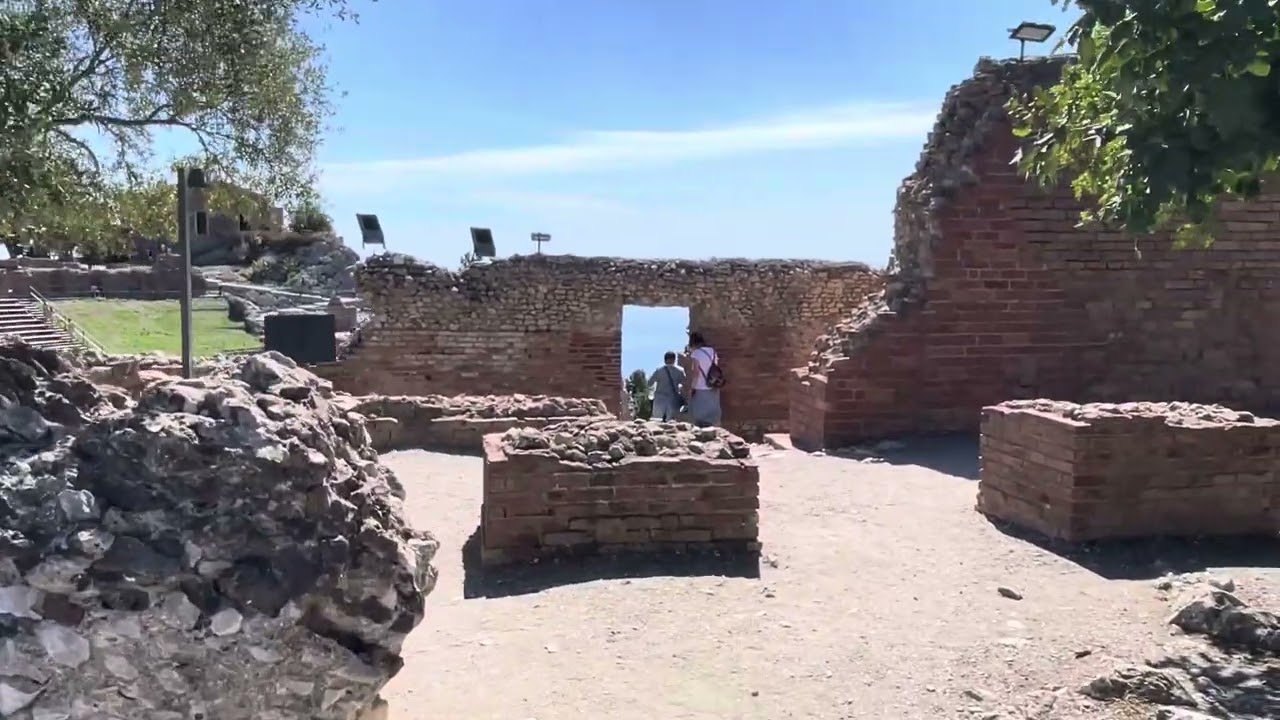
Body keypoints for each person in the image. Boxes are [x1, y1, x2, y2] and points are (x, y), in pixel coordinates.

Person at [685, 331, 723, 427]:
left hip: (701, 387)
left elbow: (696, 372)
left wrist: (692, 388)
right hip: (714, 384)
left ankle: (703, 435)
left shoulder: (696, 354)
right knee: (713, 413)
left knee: (701, 415)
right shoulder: (712, 351)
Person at [648, 351, 686, 421]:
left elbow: (650, 383)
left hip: (659, 398)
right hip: (673, 398)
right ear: (674, 359)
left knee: (656, 419)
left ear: (665, 360)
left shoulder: (659, 370)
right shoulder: (680, 371)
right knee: (671, 421)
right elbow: (684, 383)